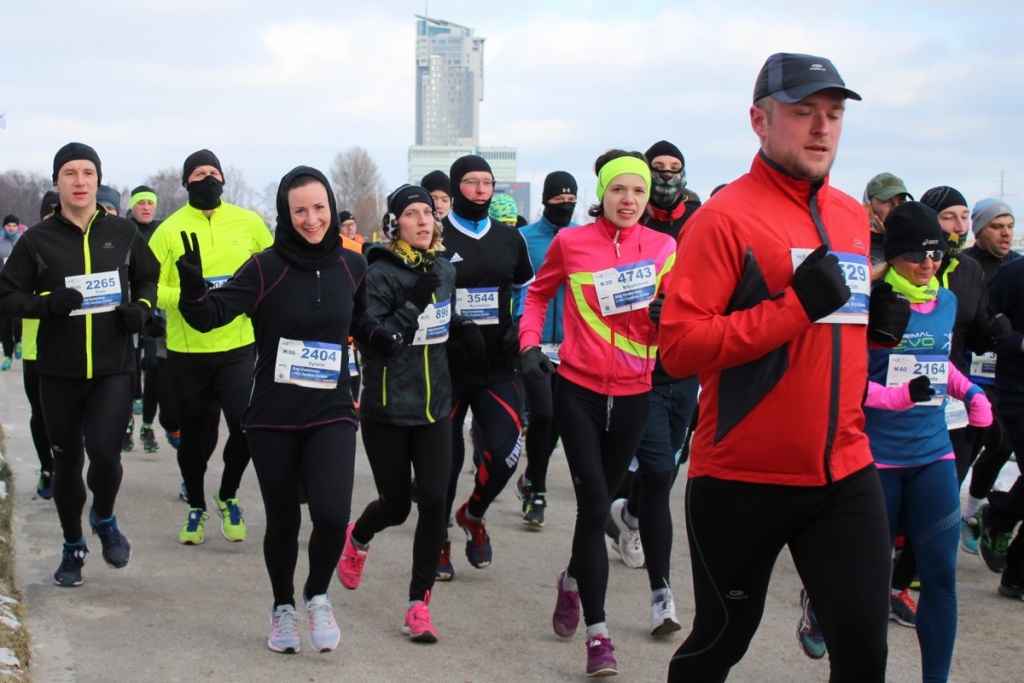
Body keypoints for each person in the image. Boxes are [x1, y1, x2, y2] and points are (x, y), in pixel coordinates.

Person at [659, 53, 908, 682]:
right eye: (804, 112)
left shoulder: (851, 215)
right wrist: (794, 307)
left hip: (844, 470)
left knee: (865, 653)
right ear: (760, 120)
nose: (822, 127)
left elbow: (827, 337)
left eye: (834, 114)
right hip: (743, 478)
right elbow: (680, 349)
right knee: (721, 643)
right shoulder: (723, 219)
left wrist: (874, 328)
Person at [176, 165, 402, 653]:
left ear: (331, 207)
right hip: (273, 416)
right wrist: (193, 289)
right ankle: (282, 608)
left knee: (331, 514)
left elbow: (358, 317)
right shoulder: (265, 267)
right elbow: (210, 316)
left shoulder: (353, 264)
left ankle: (316, 595)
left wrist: (379, 337)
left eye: (319, 208)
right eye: (299, 210)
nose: (311, 219)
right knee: (283, 521)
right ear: (285, 213)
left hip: (332, 410)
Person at [520, 149, 676, 676]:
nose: (628, 200)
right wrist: (529, 344)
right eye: (618, 190)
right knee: (592, 507)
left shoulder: (664, 247)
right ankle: (599, 635)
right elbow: (538, 296)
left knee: (598, 504)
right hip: (578, 391)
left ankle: (571, 580)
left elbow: (683, 314)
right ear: (602, 195)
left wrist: (669, 315)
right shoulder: (571, 242)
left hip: (635, 392)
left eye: (638, 191)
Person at [0, 142, 160, 586]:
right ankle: (72, 545)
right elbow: (7, 295)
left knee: (105, 456)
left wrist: (142, 308)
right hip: (58, 371)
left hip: (113, 367)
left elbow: (148, 277)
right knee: (67, 463)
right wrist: (45, 304)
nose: (79, 180)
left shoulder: (123, 233)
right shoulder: (37, 240)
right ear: (57, 182)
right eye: (69, 172)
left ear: (98, 180)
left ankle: (104, 518)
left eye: (87, 172)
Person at [337, 184, 483, 642]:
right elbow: (378, 342)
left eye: (428, 213)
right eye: (412, 214)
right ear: (394, 223)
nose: (423, 221)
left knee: (436, 501)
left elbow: (441, 317)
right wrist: (415, 301)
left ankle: (418, 604)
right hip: (387, 408)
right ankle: (358, 536)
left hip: (436, 406)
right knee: (397, 506)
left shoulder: (443, 269)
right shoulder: (377, 273)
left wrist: (464, 327)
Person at [864, 201, 992, 683]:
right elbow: (841, 380)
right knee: (866, 584)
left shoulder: (947, 302)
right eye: (917, 255)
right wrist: (894, 397)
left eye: (936, 254)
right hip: (876, 460)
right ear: (894, 255)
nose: (928, 264)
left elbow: (940, 365)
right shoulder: (870, 302)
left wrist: (970, 391)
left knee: (941, 577)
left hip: (933, 453)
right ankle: (820, 605)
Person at [148, 149, 273, 544]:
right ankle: (197, 506)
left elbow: (272, 269)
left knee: (247, 426)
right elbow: (147, 286)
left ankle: (227, 495)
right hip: (187, 352)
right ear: (185, 183)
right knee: (195, 439)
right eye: (198, 173)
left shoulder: (249, 222)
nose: (207, 179)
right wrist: (190, 296)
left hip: (237, 346)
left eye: (213, 172)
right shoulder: (168, 230)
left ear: (223, 180)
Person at [436, 154, 534, 580]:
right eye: (471, 182)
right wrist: (453, 326)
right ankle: (438, 537)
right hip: (446, 368)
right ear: (455, 187)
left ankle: (473, 514)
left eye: (487, 182)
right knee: (444, 462)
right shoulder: (436, 235)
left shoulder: (511, 239)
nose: (480, 190)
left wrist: (521, 328)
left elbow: (528, 290)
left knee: (506, 454)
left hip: (497, 365)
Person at [513, 171, 578, 528]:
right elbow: (512, 285)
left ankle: (532, 475)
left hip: (571, 346)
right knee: (542, 414)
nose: (565, 206)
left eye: (571, 201)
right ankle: (536, 491)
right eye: (558, 200)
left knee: (558, 420)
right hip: (534, 342)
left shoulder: (582, 238)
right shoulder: (524, 239)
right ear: (544, 200)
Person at [983, 256, 1024, 598]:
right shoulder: (1014, 274)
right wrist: (1018, 342)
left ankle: (999, 519)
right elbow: (984, 322)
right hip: (1018, 392)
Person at [126, 185, 177, 454]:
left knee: (155, 366)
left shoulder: (164, 230)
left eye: (150, 203)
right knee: (130, 367)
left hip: (157, 308)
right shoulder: (125, 231)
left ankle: (147, 425)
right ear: (132, 206)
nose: (146, 207)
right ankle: (126, 423)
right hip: (130, 308)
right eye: (140, 203)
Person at [18, 194, 60, 499]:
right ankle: (48, 468)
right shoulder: (29, 246)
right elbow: (12, 295)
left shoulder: (81, 245)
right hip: (36, 347)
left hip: (74, 346)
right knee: (40, 412)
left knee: (73, 415)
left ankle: (68, 466)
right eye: (50, 216)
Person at [864, 172, 913, 266]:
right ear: (868, 204)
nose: (895, 207)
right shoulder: (858, 243)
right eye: (886, 201)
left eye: (901, 202)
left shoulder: (915, 241)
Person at [0, 214, 22, 370]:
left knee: (18, 318)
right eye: (9, 226)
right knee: (4, 322)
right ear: (4, 227)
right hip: (3, 286)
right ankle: (8, 355)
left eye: (14, 225)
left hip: (19, 285)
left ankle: (19, 341)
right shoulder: (1, 242)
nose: (12, 228)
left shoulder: (23, 240)